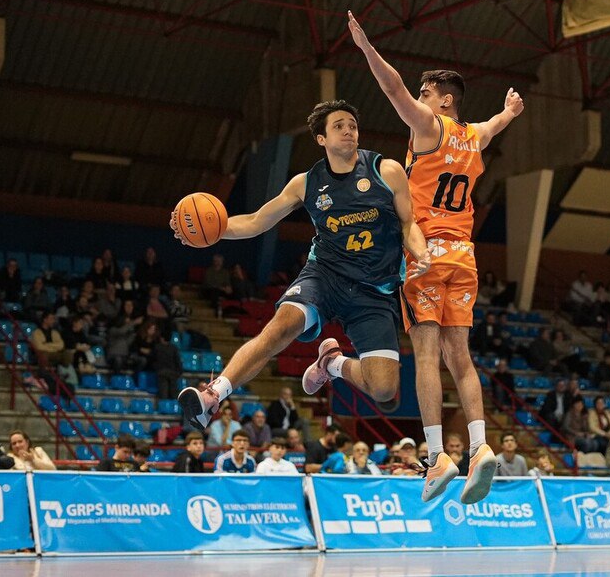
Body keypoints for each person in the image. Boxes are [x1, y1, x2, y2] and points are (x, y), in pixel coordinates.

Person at [175, 101, 431, 436]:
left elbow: (408, 223)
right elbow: (256, 221)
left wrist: (421, 252)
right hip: (325, 277)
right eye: (339, 126)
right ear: (321, 139)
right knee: (280, 328)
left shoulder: (387, 171)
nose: (348, 130)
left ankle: (332, 363)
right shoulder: (306, 183)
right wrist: (210, 232)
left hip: (374, 290)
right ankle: (213, 395)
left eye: (352, 125)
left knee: (384, 389)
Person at [349, 12, 523, 505]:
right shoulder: (474, 136)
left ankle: (437, 456)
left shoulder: (430, 126)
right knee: (460, 357)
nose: (419, 99)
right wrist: (509, 112)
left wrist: (366, 48)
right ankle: (480, 445)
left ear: (444, 101)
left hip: (425, 255)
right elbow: (492, 125)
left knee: (426, 356)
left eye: (426, 93)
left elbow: (392, 88)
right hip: (464, 257)